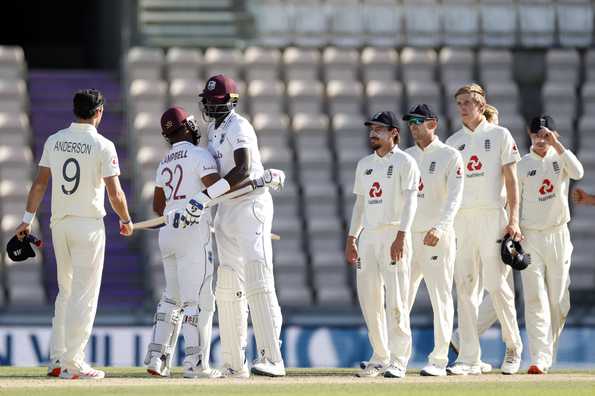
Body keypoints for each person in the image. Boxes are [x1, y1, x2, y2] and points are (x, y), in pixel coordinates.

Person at [15, 89, 133, 379]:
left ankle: (58, 359)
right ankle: (74, 362)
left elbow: (40, 184)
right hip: (88, 224)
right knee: (85, 295)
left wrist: (26, 220)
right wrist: (126, 219)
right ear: (99, 112)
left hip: (60, 224)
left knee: (65, 292)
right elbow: (115, 193)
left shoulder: (55, 140)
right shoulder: (103, 145)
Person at [182, 74, 285, 378]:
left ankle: (272, 357)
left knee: (257, 274)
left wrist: (206, 195)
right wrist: (203, 198)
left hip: (250, 203)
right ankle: (234, 362)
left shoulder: (240, 126)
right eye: (207, 100)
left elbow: (241, 168)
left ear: (229, 102)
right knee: (227, 284)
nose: (209, 106)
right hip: (225, 209)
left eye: (215, 101)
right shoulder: (213, 129)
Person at [445, 83, 523, 375]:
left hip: (492, 216)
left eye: (468, 102)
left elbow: (513, 183)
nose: (463, 107)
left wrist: (513, 220)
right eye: (459, 103)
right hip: (462, 220)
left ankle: (513, 347)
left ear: (481, 104)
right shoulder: (453, 143)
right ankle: (469, 357)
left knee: (498, 285)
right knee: (465, 286)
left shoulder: (500, 135)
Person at [144, 107, 222, 379]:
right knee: (195, 299)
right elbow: (216, 188)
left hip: (168, 232)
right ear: (187, 127)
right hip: (192, 231)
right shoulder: (200, 156)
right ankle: (195, 363)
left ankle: (157, 358)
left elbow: (157, 206)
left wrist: (177, 207)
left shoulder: (164, 160)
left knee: (171, 298)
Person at [345, 111, 420, 378]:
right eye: (371, 129)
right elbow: (361, 204)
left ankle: (399, 359)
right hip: (369, 237)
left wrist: (402, 234)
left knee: (397, 299)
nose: (373, 133)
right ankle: (380, 355)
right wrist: (352, 237)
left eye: (379, 129)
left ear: (394, 134)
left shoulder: (405, 162)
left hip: (393, 232)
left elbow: (412, 201)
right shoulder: (364, 163)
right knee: (369, 299)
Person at [517, 115, 583, 374]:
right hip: (531, 236)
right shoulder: (522, 165)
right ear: (529, 135)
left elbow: (578, 172)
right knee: (535, 298)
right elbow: (514, 198)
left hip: (558, 234)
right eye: (536, 136)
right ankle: (539, 358)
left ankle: (548, 351)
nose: (541, 140)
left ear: (553, 135)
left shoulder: (561, 158)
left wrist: (558, 146)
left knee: (558, 300)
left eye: (545, 135)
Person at [403, 104, 464, 377]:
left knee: (440, 298)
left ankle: (439, 359)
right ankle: (397, 357)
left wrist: (440, 226)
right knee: (400, 299)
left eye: (418, 121)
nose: (413, 126)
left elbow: (455, 197)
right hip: (408, 238)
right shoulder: (406, 157)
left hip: (435, 236)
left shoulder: (450, 155)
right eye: (410, 122)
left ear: (433, 124)